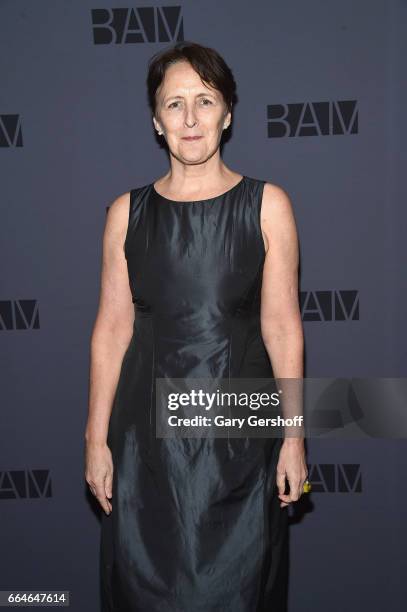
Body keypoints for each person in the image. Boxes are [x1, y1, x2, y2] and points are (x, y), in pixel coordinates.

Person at [85, 41, 308, 611]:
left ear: (228, 113)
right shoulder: (124, 214)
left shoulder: (267, 205)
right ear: (156, 121)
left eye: (204, 101)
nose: (190, 119)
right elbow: (112, 329)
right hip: (143, 444)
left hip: (239, 439)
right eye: (174, 104)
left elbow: (282, 327)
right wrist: (95, 439)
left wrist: (294, 437)